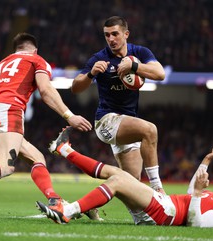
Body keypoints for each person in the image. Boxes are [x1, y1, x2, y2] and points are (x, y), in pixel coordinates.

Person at [0, 33, 93, 221]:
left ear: (16, 49)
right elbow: (46, 91)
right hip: (9, 110)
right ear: (35, 49)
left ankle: (55, 200)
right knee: (5, 166)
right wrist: (69, 116)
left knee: (37, 158)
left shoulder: (0, 65)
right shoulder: (37, 60)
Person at [36, 127, 213, 227]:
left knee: (117, 181)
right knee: (117, 173)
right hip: (164, 206)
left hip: (165, 213)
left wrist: (200, 193)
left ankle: (68, 211)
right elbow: (192, 194)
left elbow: (197, 224)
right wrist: (206, 162)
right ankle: (64, 149)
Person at [71, 16, 166, 193]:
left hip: (127, 123)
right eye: (107, 35)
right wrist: (91, 74)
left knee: (131, 184)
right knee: (150, 130)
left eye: (115, 34)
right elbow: (75, 88)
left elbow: (160, 74)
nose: (111, 39)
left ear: (126, 34)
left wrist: (134, 66)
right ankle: (158, 188)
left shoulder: (140, 52)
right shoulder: (99, 58)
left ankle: (90, 207)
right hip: (106, 121)